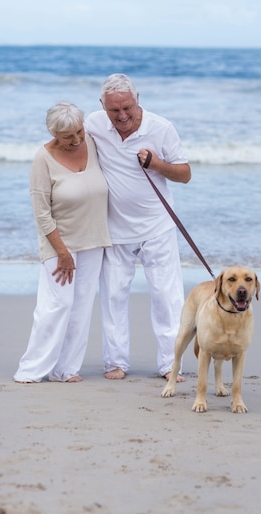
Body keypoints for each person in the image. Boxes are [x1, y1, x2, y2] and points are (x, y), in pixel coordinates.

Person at [84, 73, 191, 380]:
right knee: (113, 296)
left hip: (157, 226)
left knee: (166, 297)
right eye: (114, 111)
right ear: (102, 106)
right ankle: (115, 362)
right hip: (114, 228)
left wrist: (157, 164)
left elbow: (185, 174)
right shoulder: (94, 124)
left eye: (127, 108)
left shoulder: (161, 128)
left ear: (137, 99)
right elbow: (68, 138)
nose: (122, 116)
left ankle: (170, 365)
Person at [14, 102, 111, 383]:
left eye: (79, 131)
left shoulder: (91, 142)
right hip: (60, 244)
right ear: (55, 134)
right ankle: (31, 369)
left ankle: (65, 369)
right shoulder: (42, 159)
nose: (77, 140)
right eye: (69, 137)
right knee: (56, 305)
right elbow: (41, 213)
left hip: (94, 239)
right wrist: (62, 251)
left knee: (81, 306)